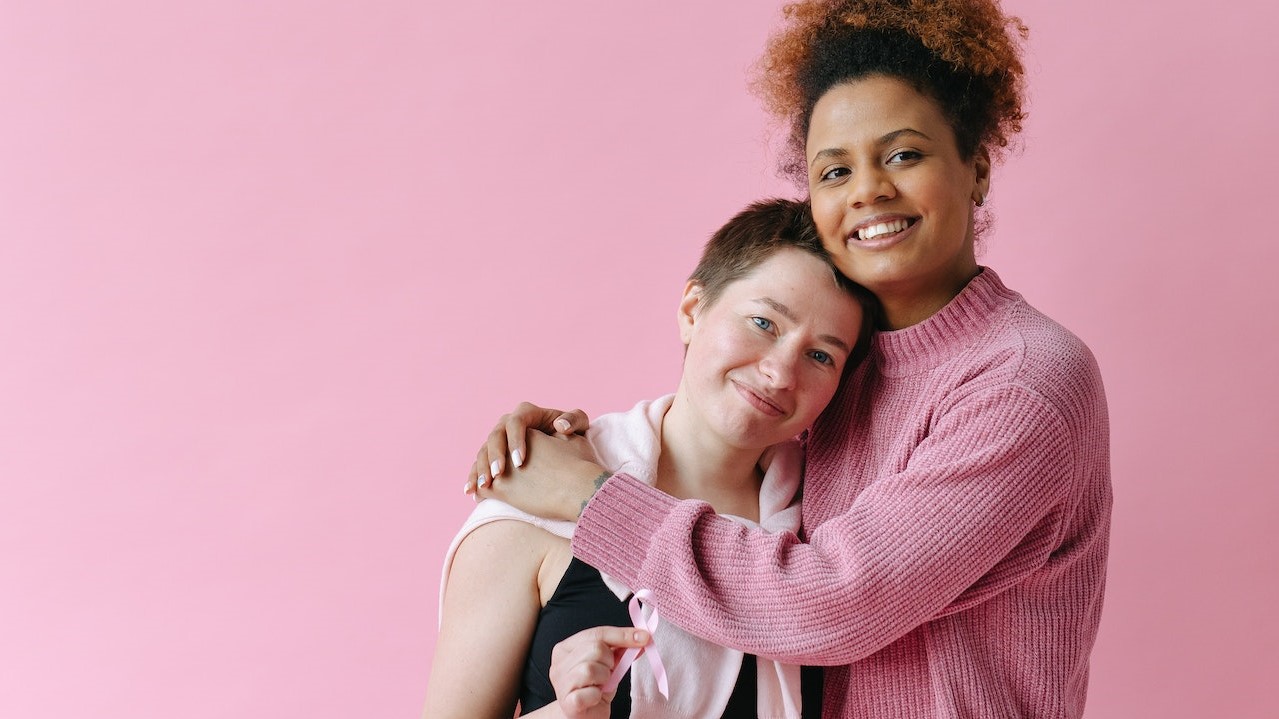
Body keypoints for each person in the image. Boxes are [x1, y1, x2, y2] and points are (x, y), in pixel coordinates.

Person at [466, 1, 1112, 717]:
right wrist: (570, 436)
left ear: (976, 169)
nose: (866, 189)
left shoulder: (1024, 381)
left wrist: (587, 495)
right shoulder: (843, 374)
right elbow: (723, 430)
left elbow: (833, 600)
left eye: (903, 154)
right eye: (833, 171)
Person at [424, 199, 879, 718]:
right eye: (763, 322)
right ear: (692, 310)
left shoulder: (831, 532)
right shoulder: (537, 490)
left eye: (821, 355)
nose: (780, 373)